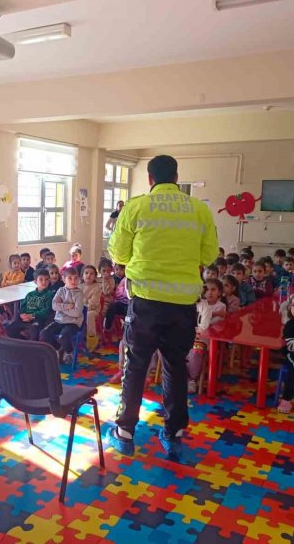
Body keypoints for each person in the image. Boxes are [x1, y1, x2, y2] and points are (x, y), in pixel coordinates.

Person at [107, 155, 218, 458]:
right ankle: (174, 431)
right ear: (176, 176)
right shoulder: (198, 209)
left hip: (145, 302)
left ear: (150, 178)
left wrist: (142, 262)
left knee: (136, 365)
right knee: (175, 366)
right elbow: (208, 256)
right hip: (183, 305)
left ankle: (126, 431)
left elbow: (117, 251)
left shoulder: (137, 206)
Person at [186, 280, 226, 394]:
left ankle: (191, 379)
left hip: (201, 338)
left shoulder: (205, 307)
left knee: (195, 352)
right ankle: (178, 376)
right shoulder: (183, 304)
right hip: (184, 336)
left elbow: (203, 327)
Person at [40, 267, 84, 364]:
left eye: (75, 278)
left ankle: (69, 351)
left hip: (73, 323)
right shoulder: (60, 290)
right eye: (70, 278)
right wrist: (68, 306)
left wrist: (61, 308)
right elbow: (54, 305)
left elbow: (77, 313)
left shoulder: (79, 293)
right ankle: (59, 347)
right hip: (59, 321)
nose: (73, 281)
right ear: (63, 279)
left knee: (64, 336)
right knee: (44, 334)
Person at [5, 269, 53, 340]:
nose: (44, 282)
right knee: (9, 329)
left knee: (34, 331)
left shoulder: (49, 294)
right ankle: (24, 342)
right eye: (41, 279)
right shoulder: (30, 294)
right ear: (35, 281)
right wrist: (22, 315)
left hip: (38, 319)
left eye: (46, 280)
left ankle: (32, 347)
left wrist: (32, 316)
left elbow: (46, 311)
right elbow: (23, 307)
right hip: (25, 318)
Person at [80, 265, 102, 350]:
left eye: (91, 274)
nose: (88, 275)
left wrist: (82, 309)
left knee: (89, 315)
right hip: (79, 309)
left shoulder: (97, 287)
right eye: (86, 273)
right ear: (82, 275)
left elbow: (93, 303)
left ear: (95, 277)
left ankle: (91, 340)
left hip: (93, 309)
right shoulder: (78, 286)